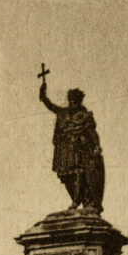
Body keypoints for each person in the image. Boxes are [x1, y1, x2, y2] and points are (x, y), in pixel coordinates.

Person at [39, 81, 104, 213]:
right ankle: (77, 198)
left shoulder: (85, 116)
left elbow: (92, 133)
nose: (72, 103)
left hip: (79, 150)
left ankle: (80, 200)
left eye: (75, 101)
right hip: (64, 151)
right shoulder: (63, 113)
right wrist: (43, 96)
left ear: (79, 101)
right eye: (70, 100)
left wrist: (97, 146)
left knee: (79, 173)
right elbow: (51, 106)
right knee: (66, 176)